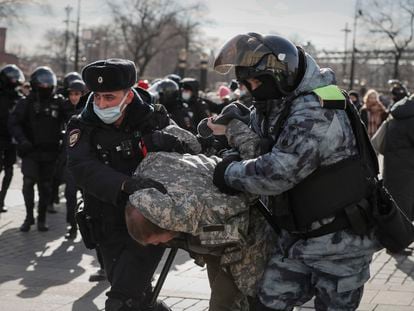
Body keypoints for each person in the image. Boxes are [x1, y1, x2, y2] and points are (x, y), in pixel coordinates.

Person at [211, 32, 381, 311]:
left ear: (281, 75)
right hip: (296, 238)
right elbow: (265, 144)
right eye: (246, 84)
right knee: (265, 304)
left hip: (339, 246)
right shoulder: (280, 102)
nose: (252, 90)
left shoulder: (317, 107)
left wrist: (230, 173)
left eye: (256, 82)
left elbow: (279, 172)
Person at [125, 105, 276, 311]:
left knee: (225, 304)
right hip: (217, 233)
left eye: (158, 240)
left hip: (248, 234)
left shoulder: (205, 209)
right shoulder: (147, 177)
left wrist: (196, 240)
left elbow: (249, 196)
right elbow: (187, 142)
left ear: (166, 224)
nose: (159, 244)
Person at [66, 58, 188, 311]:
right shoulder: (82, 124)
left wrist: (169, 142)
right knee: (139, 295)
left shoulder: (153, 117)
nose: (101, 104)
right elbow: (81, 167)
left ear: (129, 96)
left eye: (109, 97)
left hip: (147, 222)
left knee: (123, 299)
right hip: (105, 220)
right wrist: (125, 184)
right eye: (97, 97)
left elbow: (187, 150)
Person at [9, 66, 69, 232]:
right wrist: (22, 140)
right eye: (42, 82)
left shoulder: (58, 102)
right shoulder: (26, 102)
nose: (45, 86)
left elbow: (72, 119)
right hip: (31, 151)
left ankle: (41, 218)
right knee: (28, 182)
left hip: (50, 153)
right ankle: (29, 217)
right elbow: (14, 123)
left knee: (46, 186)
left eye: (48, 82)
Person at [382, 94, 414, 222]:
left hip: (393, 165)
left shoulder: (399, 113)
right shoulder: (411, 119)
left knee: (395, 202)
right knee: (404, 207)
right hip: (408, 168)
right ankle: (398, 238)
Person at [0, 64, 25, 212]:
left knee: (9, 171)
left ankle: (1, 200)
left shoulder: (19, 98)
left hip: (11, 140)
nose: (15, 81)